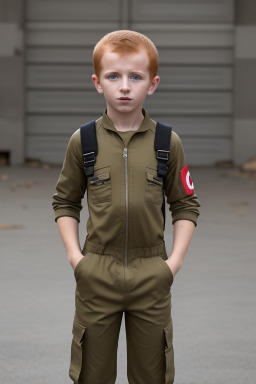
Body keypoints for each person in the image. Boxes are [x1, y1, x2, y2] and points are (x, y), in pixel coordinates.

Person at [52, 30, 200, 384]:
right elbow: (65, 202)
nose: (124, 86)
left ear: (152, 84)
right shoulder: (83, 141)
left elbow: (185, 205)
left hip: (152, 273)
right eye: (113, 76)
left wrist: (172, 264)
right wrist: (77, 259)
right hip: (96, 273)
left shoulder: (167, 142)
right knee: (92, 374)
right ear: (97, 82)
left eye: (136, 77)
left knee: (153, 376)